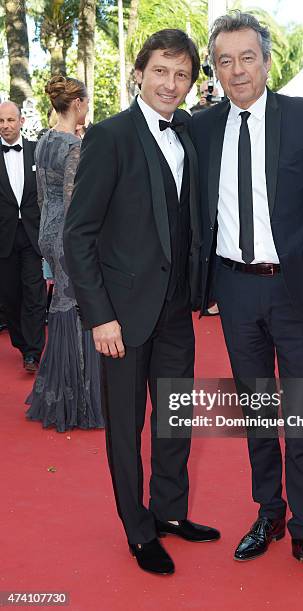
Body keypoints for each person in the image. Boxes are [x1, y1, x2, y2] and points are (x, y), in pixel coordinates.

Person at [192, 12, 303, 587]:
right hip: (234, 291)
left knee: (301, 417)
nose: (237, 70)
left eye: (247, 57)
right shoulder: (203, 127)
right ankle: (269, 514)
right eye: (225, 61)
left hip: (298, 291)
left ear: (266, 60)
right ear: (216, 68)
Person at [63, 29, 220, 577]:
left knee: (175, 419)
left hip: (177, 309)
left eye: (182, 75)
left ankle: (170, 513)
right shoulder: (109, 137)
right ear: (138, 73)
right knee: (127, 427)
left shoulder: (190, 138)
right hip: (122, 317)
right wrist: (99, 315)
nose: (171, 84)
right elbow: (78, 235)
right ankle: (137, 528)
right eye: (161, 71)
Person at [26, 76, 104, 432]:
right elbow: (77, 204)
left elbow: (43, 197)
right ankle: (77, 399)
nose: (87, 107)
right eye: (86, 102)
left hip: (48, 231)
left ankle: (58, 389)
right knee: (78, 310)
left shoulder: (43, 141)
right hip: (68, 236)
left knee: (61, 308)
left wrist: (48, 237)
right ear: (76, 104)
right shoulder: (75, 145)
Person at [0, 101, 46, 372]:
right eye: (1, 121)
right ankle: (21, 341)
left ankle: (33, 351)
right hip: (4, 238)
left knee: (34, 292)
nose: (5, 126)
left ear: (21, 122)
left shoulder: (36, 152)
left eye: (9, 120)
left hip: (31, 234)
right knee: (10, 296)